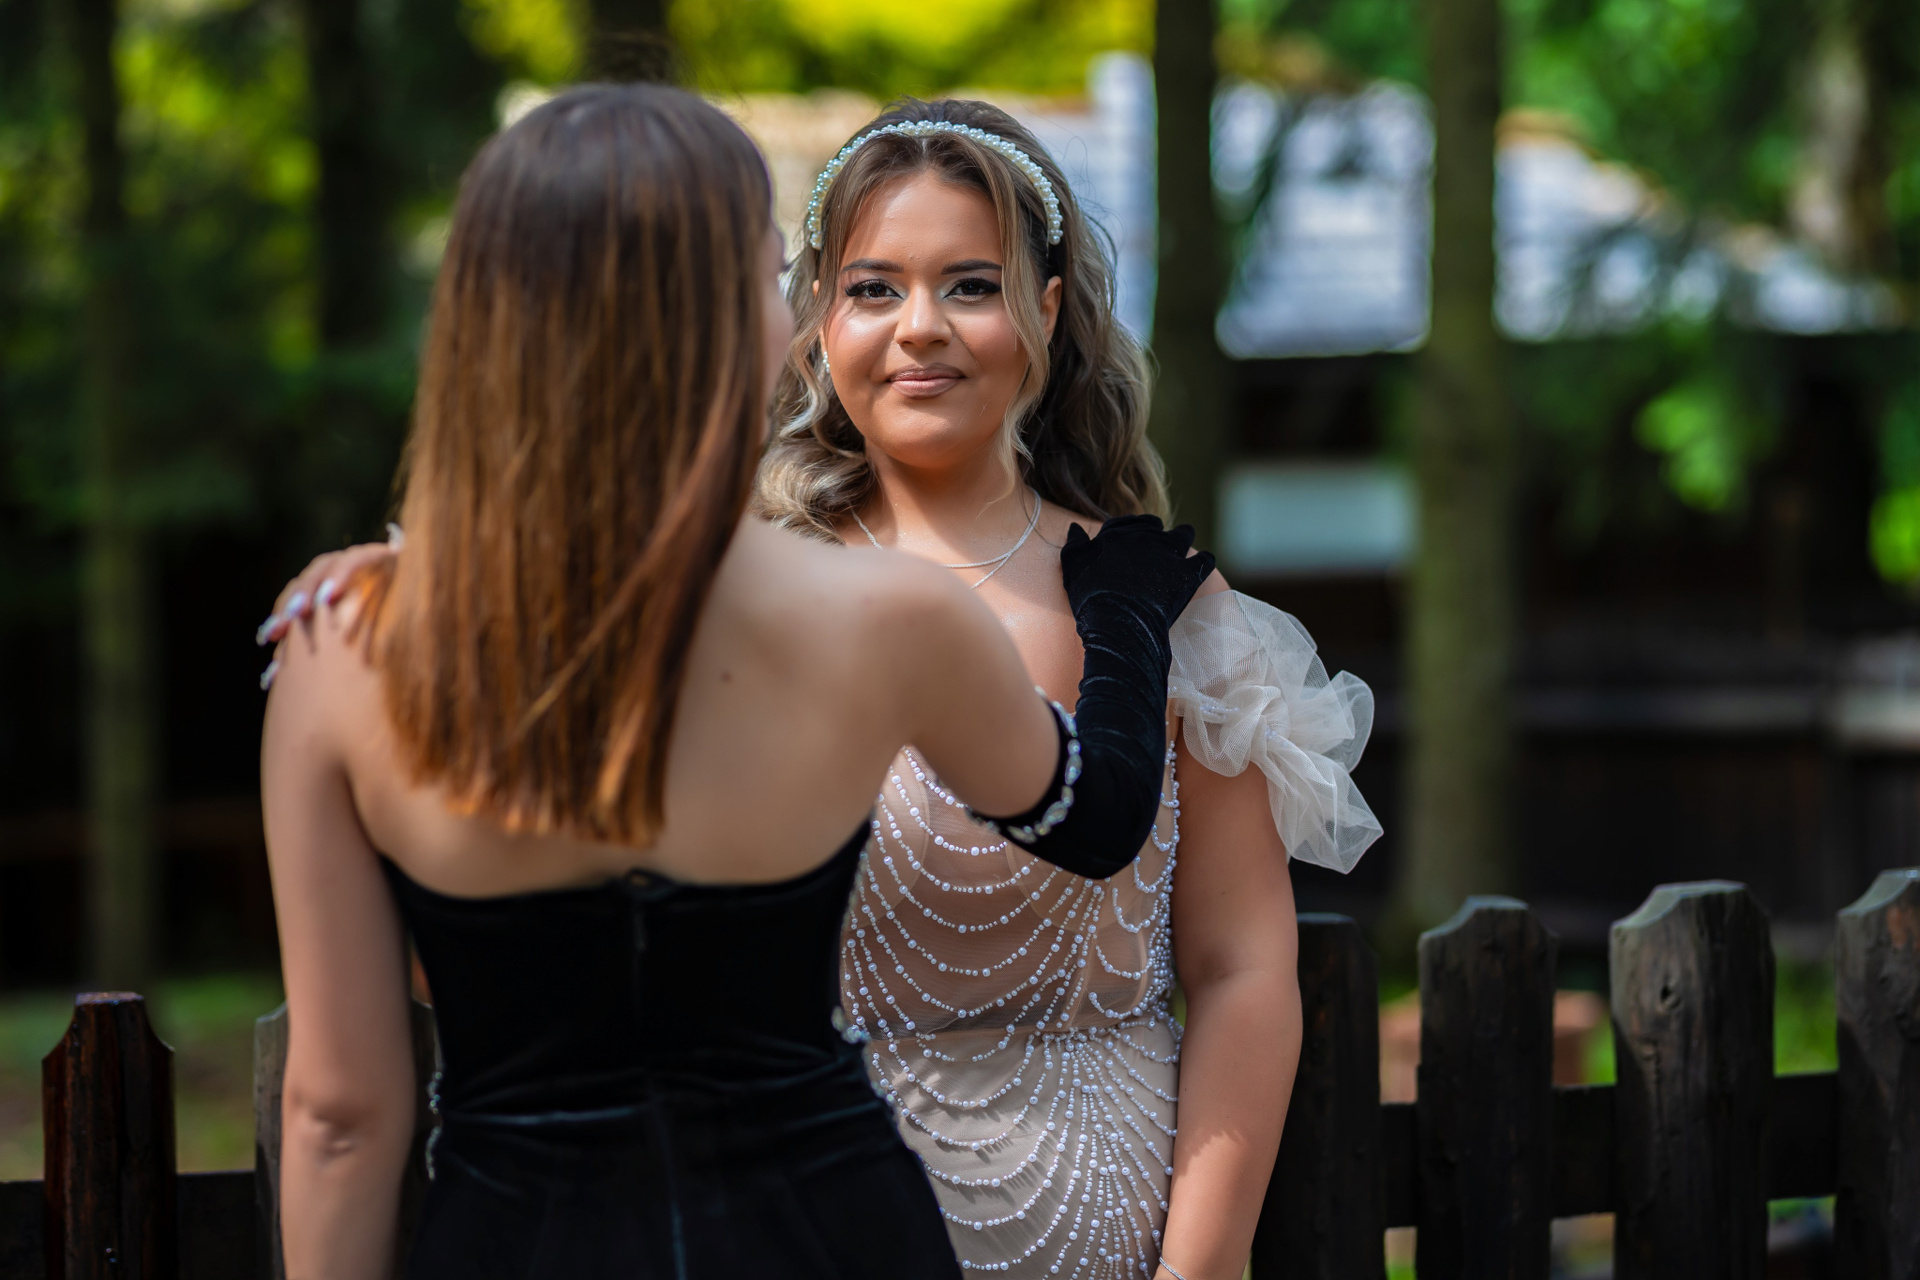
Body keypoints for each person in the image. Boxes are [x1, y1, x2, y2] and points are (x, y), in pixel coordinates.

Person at [259, 84, 1212, 1280]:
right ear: (719, 325)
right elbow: (1100, 816)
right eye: (774, 278)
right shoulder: (888, 618)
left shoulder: (338, 655)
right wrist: (1122, 616)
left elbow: (340, 1113)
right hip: (829, 1235)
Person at [759, 100, 1381, 1280]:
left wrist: (1198, 1268)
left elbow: (1242, 965)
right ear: (820, 320)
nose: (920, 327)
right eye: (874, 288)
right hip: (805, 1225)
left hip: (1112, 1230)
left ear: (1045, 310)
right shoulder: (747, 601)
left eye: (970, 286)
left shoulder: (1162, 604)